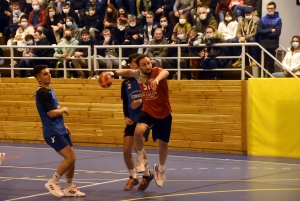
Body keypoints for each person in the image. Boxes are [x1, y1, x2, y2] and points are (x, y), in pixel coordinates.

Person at [109, 54, 172, 188]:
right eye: (144, 64)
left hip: (164, 113)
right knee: (138, 131)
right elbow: (126, 72)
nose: (147, 66)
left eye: (149, 63)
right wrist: (112, 73)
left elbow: (166, 72)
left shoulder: (157, 72)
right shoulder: (137, 74)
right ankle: (140, 159)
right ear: (139, 67)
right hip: (148, 111)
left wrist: (157, 80)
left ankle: (160, 170)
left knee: (163, 144)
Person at [33, 64, 85, 197]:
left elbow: (53, 111)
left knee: (72, 158)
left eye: (49, 73)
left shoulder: (50, 90)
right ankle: (53, 181)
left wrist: (63, 124)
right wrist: (63, 110)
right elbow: (51, 113)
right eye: (45, 74)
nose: (49, 75)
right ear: (39, 78)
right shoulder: (42, 92)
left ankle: (69, 187)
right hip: (52, 132)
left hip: (59, 128)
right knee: (70, 157)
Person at [121, 53, 151, 191]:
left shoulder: (146, 80)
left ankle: (146, 174)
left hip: (144, 117)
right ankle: (133, 176)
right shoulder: (125, 83)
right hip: (131, 119)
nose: (138, 65)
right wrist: (126, 116)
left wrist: (141, 101)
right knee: (126, 151)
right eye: (135, 63)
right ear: (130, 65)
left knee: (137, 145)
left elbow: (153, 98)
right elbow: (125, 102)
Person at [257, 1, 282, 75]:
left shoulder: (278, 20)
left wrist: (265, 33)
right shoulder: (262, 19)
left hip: (273, 44)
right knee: (263, 64)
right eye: (268, 8)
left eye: (271, 8)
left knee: (271, 64)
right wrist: (271, 30)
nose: (269, 10)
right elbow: (259, 31)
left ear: (275, 9)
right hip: (263, 44)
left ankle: (270, 79)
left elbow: (277, 33)